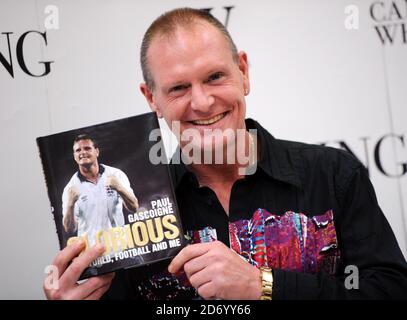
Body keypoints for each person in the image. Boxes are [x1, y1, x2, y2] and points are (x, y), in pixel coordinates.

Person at [44, 8, 407, 300]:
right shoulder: (130, 214)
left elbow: (391, 291)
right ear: (151, 98)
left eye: (215, 77)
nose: (202, 102)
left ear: (243, 71)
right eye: (179, 88)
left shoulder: (333, 174)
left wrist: (264, 286)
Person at [62, 134, 139, 247]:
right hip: (92, 255)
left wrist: (119, 188)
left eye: (87, 148)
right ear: (75, 156)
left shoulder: (116, 175)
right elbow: (70, 229)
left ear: (97, 152)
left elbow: (134, 208)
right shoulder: (71, 188)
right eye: (78, 150)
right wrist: (70, 204)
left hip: (121, 249)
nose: (82, 152)